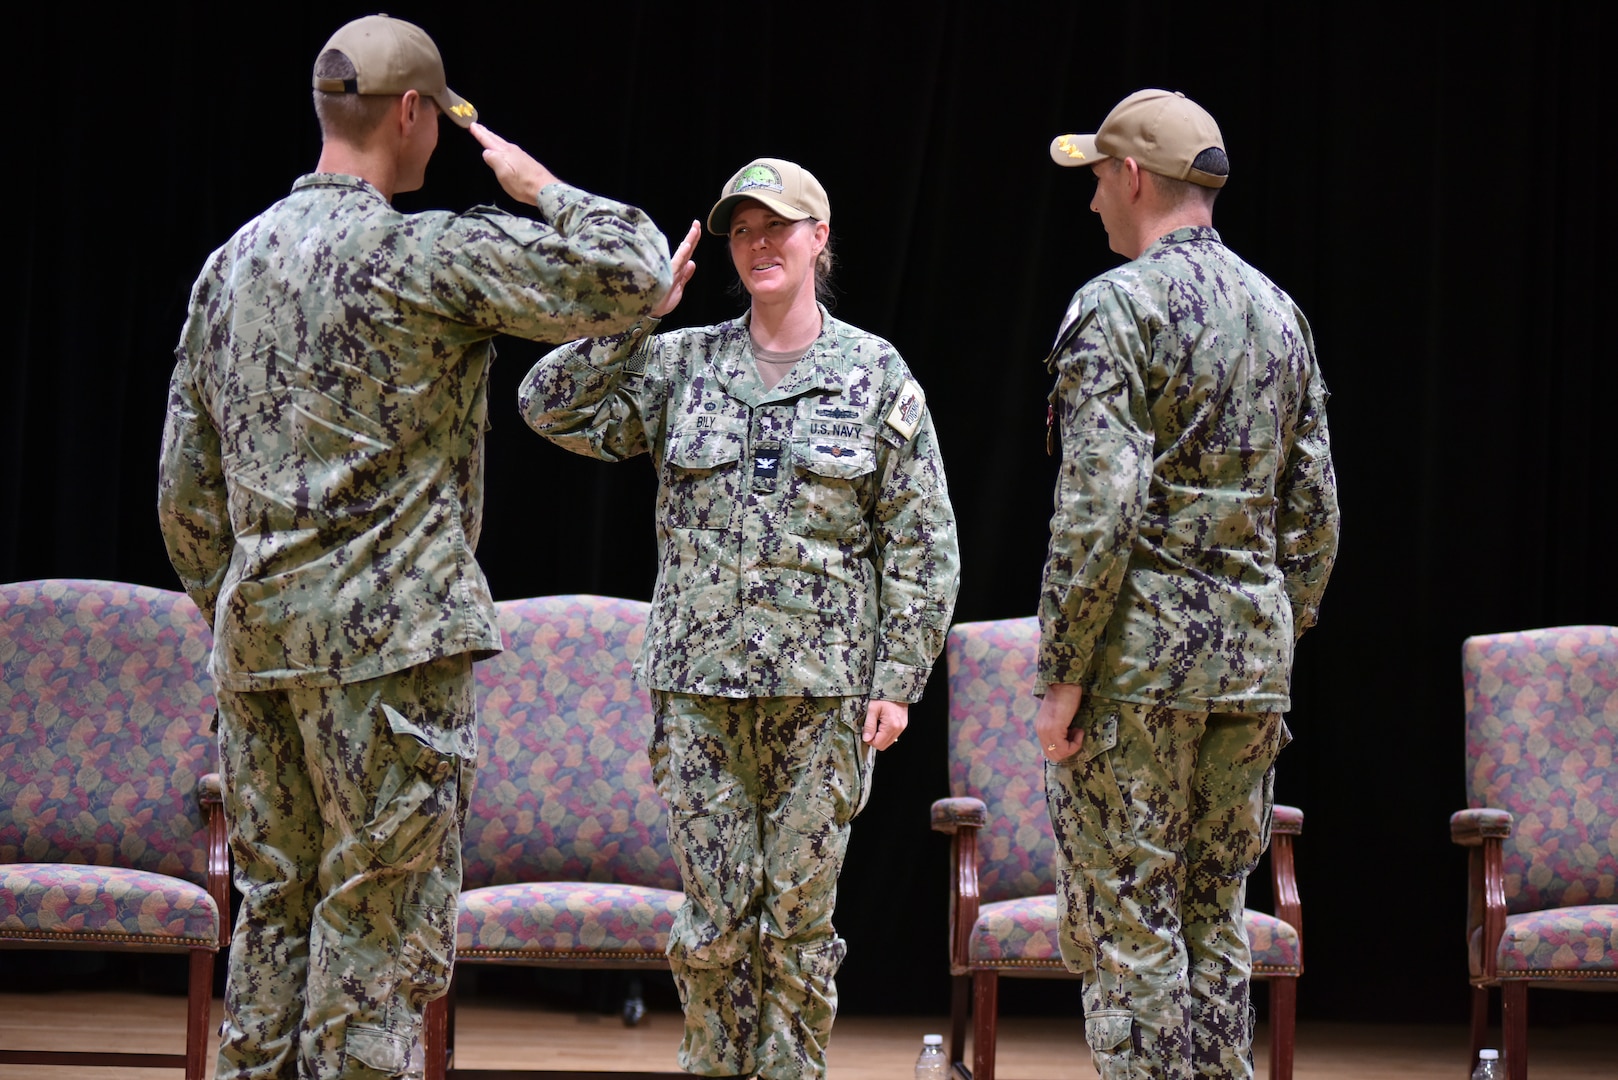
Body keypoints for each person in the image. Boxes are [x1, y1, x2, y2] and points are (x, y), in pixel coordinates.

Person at [157, 14, 671, 1080]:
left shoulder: (229, 266)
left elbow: (185, 490)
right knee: (375, 930)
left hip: (257, 649)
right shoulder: (424, 255)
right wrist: (540, 187)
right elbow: (630, 270)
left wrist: (237, 597)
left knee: (276, 918)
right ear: (411, 113)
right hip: (390, 658)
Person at [519, 158, 960, 1078]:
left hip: (823, 693)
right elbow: (545, 404)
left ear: (819, 239)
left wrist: (897, 681)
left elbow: (922, 542)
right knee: (714, 919)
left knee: (798, 921)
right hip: (698, 691)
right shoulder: (684, 363)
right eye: (743, 229)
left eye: (780, 226)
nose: (760, 244)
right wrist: (640, 313)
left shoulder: (874, 374)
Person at [1033, 90, 1339, 1080]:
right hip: (1248, 669)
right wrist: (1270, 632)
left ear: (1130, 178)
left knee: (1129, 928)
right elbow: (1315, 513)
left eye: (1094, 182)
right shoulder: (1279, 313)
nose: (1089, 206)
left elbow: (1096, 509)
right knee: (1214, 922)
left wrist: (1064, 673)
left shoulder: (1114, 308)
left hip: (1135, 670)